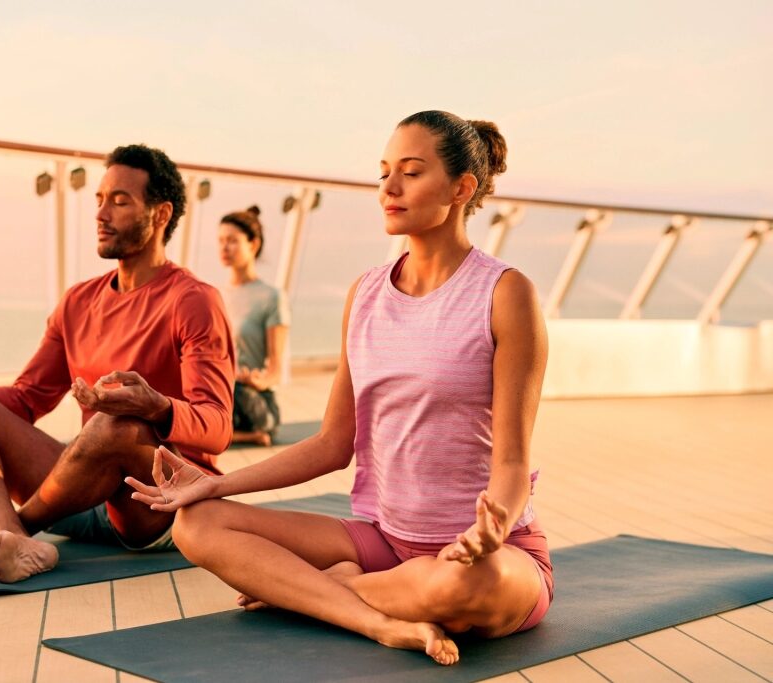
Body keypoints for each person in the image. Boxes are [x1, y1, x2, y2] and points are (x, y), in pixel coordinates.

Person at [126, 111, 551, 666]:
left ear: (461, 188)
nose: (389, 189)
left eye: (412, 173)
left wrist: (491, 527)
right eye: (383, 173)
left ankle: (313, 594)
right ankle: (376, 620)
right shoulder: (367, 294)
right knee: (197, 523)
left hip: (486, 557)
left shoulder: (504, 293)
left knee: (461, 586)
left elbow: (513, 461)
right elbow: (332, 443)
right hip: (385, 541)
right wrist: (210, 486)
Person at [0, 144, 234, 583]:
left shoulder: (194, 301)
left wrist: (155, 407)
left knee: (113, 424)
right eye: (100, 200)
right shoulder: (78, 301)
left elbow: (218, 427)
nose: (102, 214)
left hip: (160, 506)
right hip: (79, 496)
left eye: (120, 201)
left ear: (161, 215)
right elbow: (27, 398)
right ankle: (14, 538)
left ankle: (0, 529)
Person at [217, 206, 290, 447]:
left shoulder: (271, 296)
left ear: (253, 244)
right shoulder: (214, 296)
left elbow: (275, 372)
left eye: (232, 241)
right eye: (221, 241)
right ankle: (238, 435)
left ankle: (239, 433)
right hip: (221, 393)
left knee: (235, 388)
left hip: (252, 401)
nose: (224, 248)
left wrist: (259, 380)